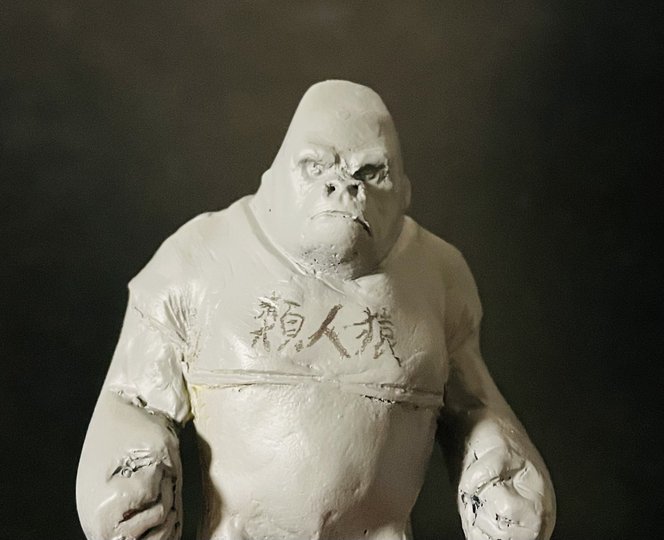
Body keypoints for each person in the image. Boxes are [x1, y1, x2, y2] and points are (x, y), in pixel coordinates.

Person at [77, 80, 555, 540]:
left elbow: (474, 405)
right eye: (316, 166)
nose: (343, 187)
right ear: (273, 177)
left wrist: (504, 472)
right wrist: (123, 475)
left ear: (404, 193)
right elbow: (131, 395)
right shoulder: (198, 258)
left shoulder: (438, 274)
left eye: (370, 173)